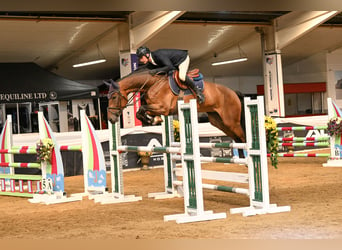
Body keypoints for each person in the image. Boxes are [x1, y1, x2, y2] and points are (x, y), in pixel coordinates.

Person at [136, 46, 205, 104]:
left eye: (141, 58)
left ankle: (198, 91)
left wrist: (156, 70)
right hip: (173, 63)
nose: (140, 60)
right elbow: (144, 68)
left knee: (182, 77)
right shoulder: (151, 61)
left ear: (147, 55)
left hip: (182, 59)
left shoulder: (159, 55)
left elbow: (170, 67)